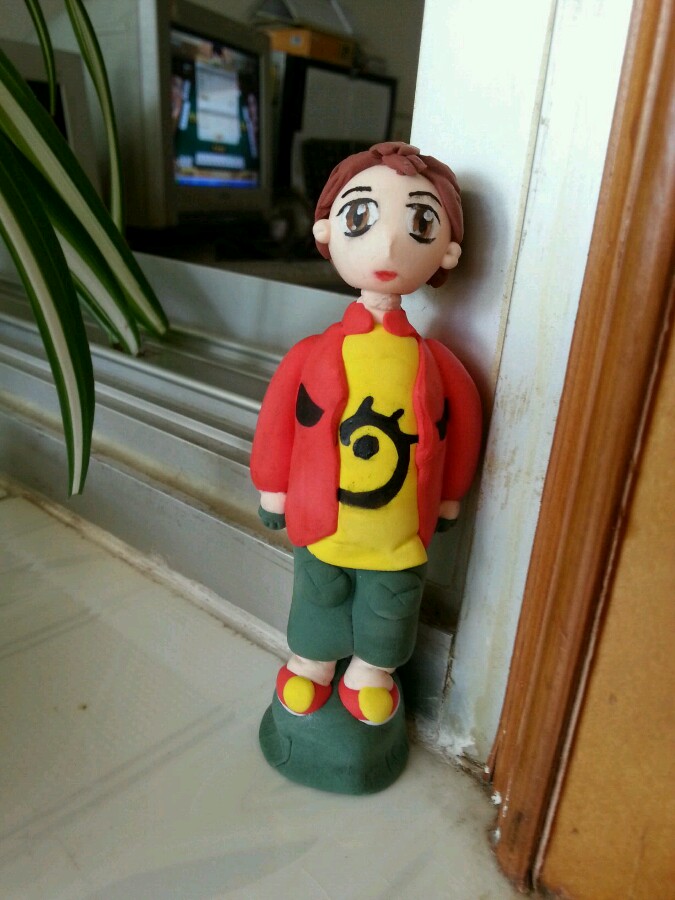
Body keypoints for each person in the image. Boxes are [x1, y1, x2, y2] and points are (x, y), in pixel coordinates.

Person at [251, 141, 482, 726]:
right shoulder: (312, 354)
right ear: (327, 230)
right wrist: (272, 486)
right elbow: (278, 417)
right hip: (321, 518)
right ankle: (311, 662)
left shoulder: (437, 364)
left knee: (392, 601)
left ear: (448, 251)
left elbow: (465, 423)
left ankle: (372, 670)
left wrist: (451, 494)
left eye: (419, 223)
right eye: (362, 217)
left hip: (400, 529)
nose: (389, 246)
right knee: (318, 588)